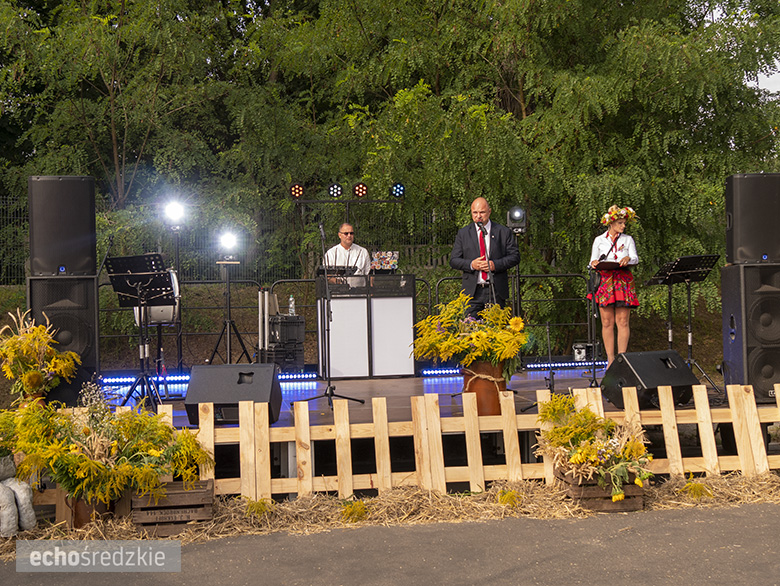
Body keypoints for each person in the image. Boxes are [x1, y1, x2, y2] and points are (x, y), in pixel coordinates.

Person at [450, 197, 521, 318]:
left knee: (496, 331)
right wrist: (472, 264)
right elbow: (454, 260)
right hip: (472, 292)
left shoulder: (503, 232)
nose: (478, 216)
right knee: (471, 331)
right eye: (475, 212)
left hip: (495, 290)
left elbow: (515, 257)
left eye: (482, 212)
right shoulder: (463, 233)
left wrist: (495, 265)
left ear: (489, 212)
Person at [589, 205, 640, 367]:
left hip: (622, 280)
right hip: (605, 280)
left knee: (623, 321)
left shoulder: (628, 239)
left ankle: (622, 359)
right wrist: (595, 263)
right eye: (620, 223)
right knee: (606, 321)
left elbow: (635, 258)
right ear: (610, 223)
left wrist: (627, 259)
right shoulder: (599, 240)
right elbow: (591, 262)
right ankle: (610, 360)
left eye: (624, 223)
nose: (623, 226)